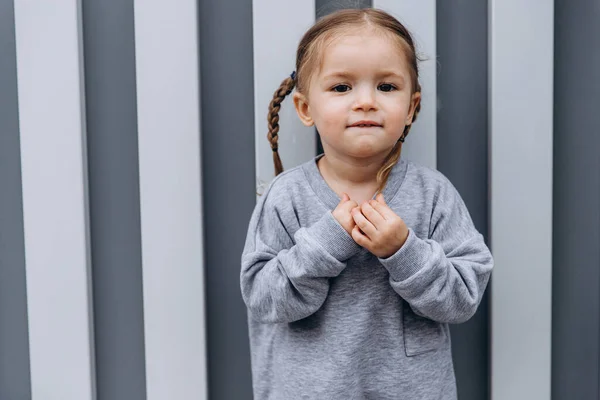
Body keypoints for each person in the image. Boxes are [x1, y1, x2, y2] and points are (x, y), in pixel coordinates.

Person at [240, 8, 493, 399]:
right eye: (342, 88)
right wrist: (323, 245)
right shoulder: (286, 196)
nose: (365, 102)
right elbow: (263, 299)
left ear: (411, 107)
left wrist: (404, 252)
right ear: (306, 109)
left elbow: (462, 300)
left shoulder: (433, 195)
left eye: (387, 87)